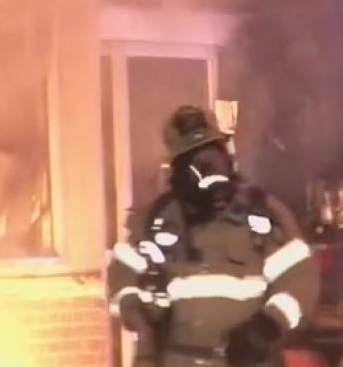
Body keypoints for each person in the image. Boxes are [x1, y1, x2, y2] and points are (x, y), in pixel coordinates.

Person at [107, 106, 321, 366]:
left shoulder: (262, 214)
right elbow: (122, 275)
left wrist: (267, 327)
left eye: (214, 156)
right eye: (196, 162)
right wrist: (137, 313)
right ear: (178, 169)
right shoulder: (157, 219)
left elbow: (300, 279)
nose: (209, 171)